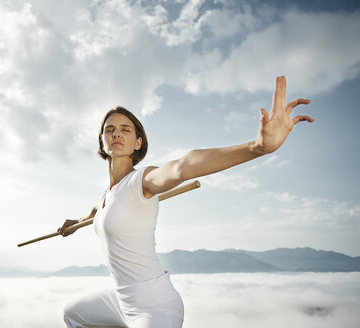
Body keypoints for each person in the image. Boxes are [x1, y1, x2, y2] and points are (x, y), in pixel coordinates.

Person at [58, 76, 313, 327]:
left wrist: (258, 147)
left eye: (126, 129)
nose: (116, 133)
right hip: (119, 300)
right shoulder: (107, 195)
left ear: (138, 142)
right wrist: (76, 223)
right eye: (109, 129)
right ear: (102, 141)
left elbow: (183, 167)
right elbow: (96, 213)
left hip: (154, 305)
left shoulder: (143, 182)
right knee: (73, 314)